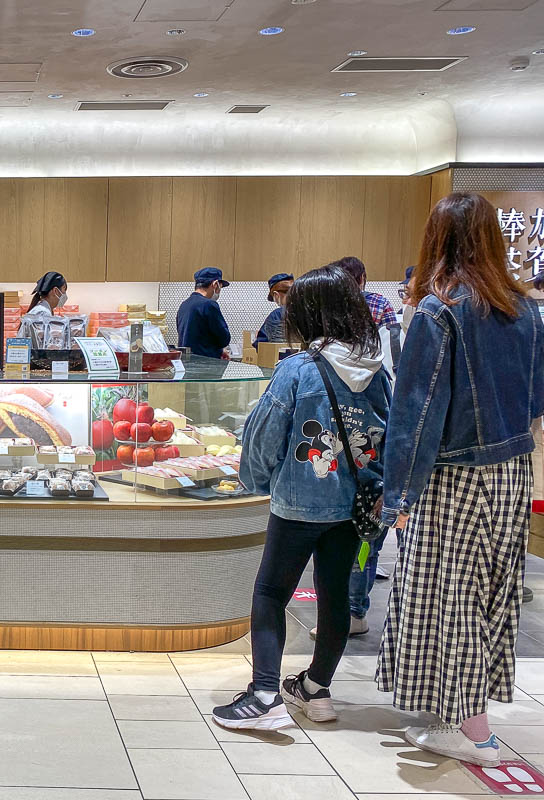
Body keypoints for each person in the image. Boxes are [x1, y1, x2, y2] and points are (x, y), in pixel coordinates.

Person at [378, 192, 544, 766]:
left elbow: (416, 412)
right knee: (492, 593)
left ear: (437, 239)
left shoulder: (438, 310)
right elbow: (536, 399)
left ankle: (473, 732)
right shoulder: (525, 311)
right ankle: (462, 716)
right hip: (512, 472)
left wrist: (397, 495)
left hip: (453, 477)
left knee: (450, 599)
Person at [212, 264, 391, 731]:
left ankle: (264, 695)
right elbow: (389, 436)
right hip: (352, 505)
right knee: (334, 595)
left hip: (298, 501)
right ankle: (316, 689)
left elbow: (264, 436)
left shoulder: (297, 369)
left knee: (271, 592)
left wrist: (255, 482)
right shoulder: (376, 372)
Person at [177, 267, 232, 359]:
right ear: (215, 284)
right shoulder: (209, 305)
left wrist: (220, 351)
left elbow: (194, 337)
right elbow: (224, 339)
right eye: (220, 287)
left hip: (186, 362)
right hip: (206, 363)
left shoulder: (184, 305)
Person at [17, 271, 67, 337]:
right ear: (55, 291)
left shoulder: (41, 310)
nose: (65, 295)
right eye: (64, 290)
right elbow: (42, 341)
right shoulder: (42, 313)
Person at [254, 273, 293, 345]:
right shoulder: (308, 311)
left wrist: (258, 337)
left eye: (273, 298)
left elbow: (261, 345)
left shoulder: (277, 314)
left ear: (276, 295)